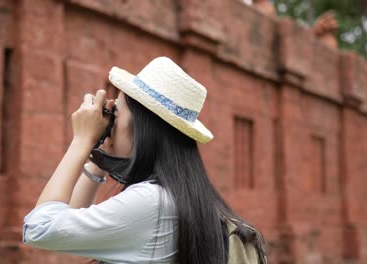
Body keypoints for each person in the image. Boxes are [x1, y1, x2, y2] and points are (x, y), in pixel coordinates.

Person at [22, 57, 267, 263]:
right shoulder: (180, 198)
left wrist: (81, 142)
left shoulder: (152, 203)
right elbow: (70, 227)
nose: (110, 121)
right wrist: (98, 156)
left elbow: (40, 229)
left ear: (141, 125)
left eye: (115, 112)